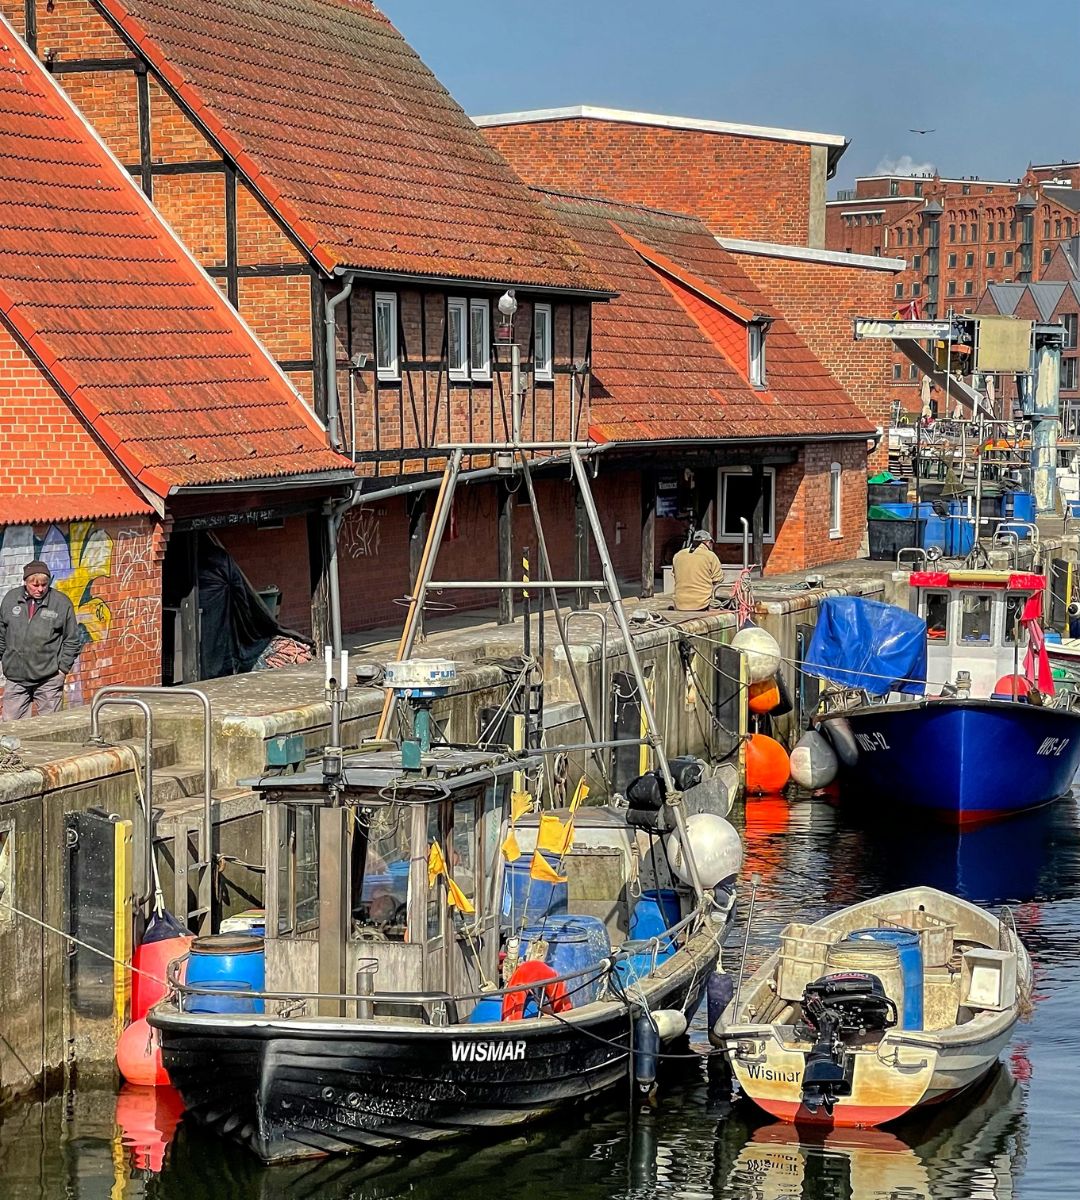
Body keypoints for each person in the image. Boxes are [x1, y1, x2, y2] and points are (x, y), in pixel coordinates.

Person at [0, 561, 82, 721]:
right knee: (11, 728)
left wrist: (62, 670)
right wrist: (5, 660)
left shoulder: (61, 603)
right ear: (25, 582)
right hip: (16, 678)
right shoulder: (11, 599)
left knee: (51, 726)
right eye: (35, 585)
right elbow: (1, 634)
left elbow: (72, 639)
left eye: (44, 585)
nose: (40, 589)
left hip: (48, 679)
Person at [672, 530, 725, 611]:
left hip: (680, 604)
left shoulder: (678, 555)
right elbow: (718, 579)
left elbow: (674, 575)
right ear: (707, 542)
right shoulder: (710, 556)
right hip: (701, 603)